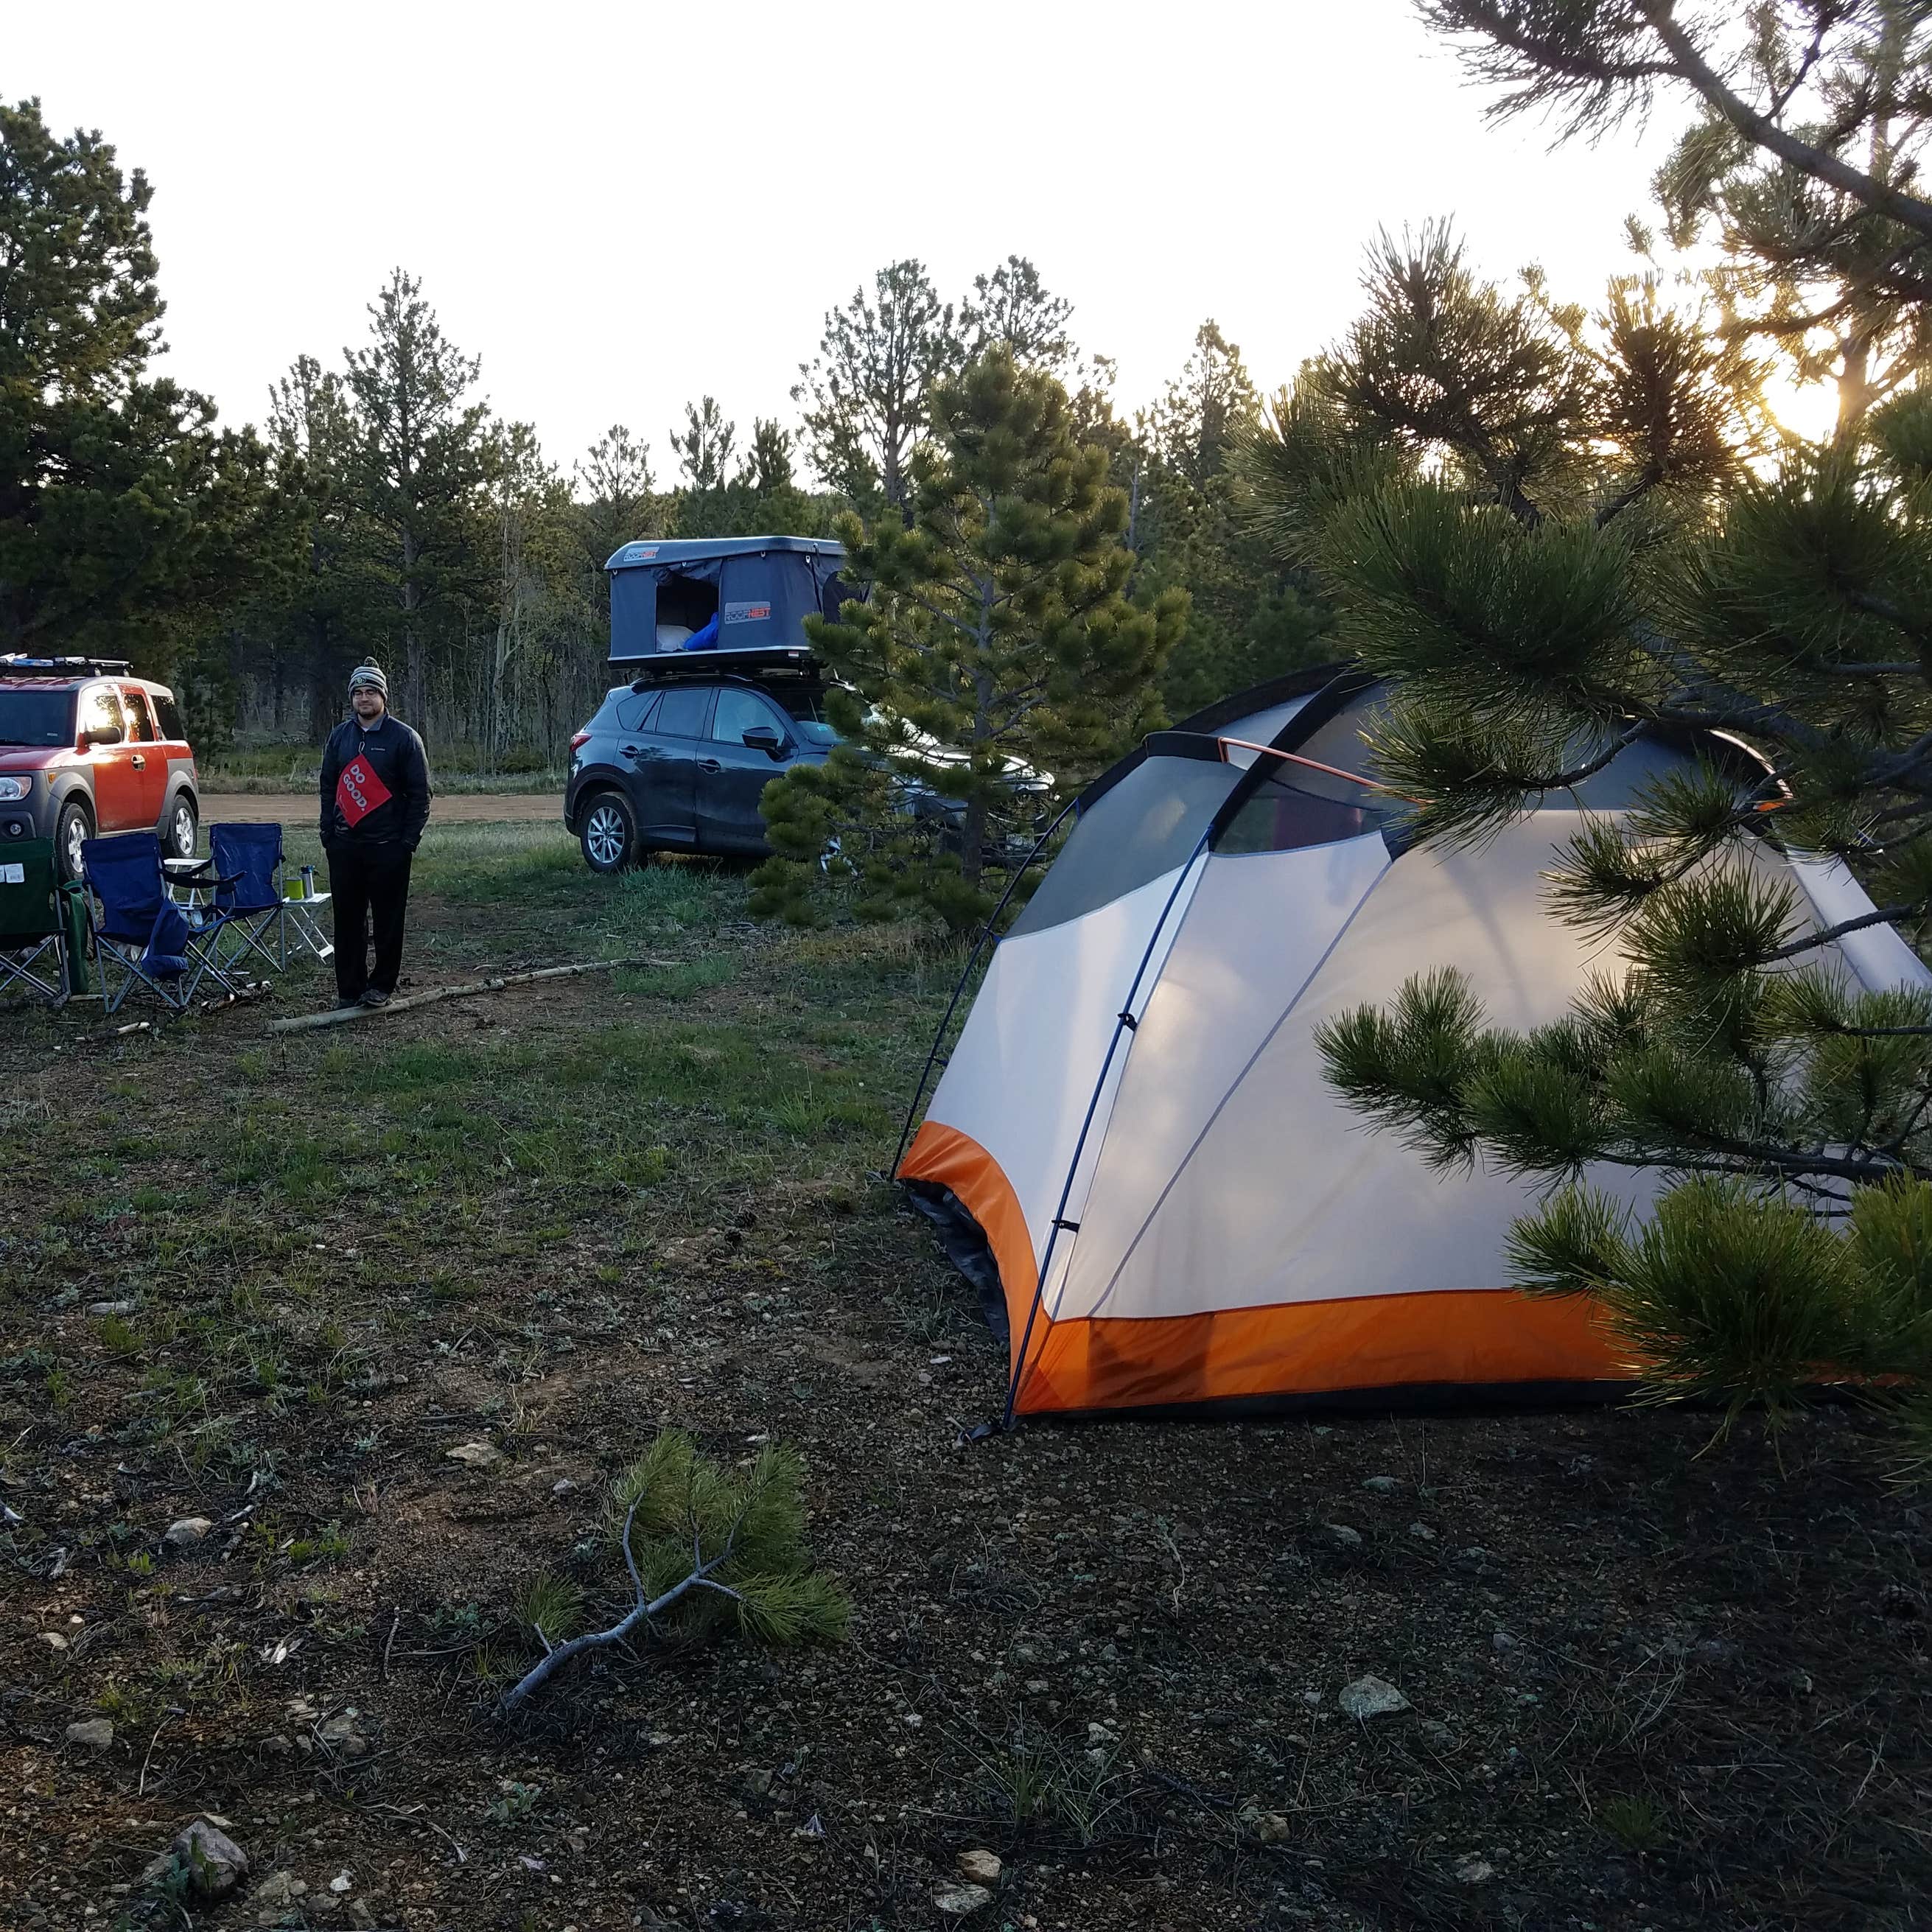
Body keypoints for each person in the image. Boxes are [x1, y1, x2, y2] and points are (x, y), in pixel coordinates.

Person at [318, 664, 431, 1009]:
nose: (364, 698)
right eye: (358, 693)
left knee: (388, 922)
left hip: (388, 849)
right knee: (347, 921)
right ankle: (349, 990)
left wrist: (407, 843)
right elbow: (327, 785)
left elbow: (421, 795)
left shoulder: (404, 738)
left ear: (383, 696)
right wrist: (328, 833)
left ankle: (381, 986)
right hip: (345, 847)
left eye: (370, 692)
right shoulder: (340, 737)